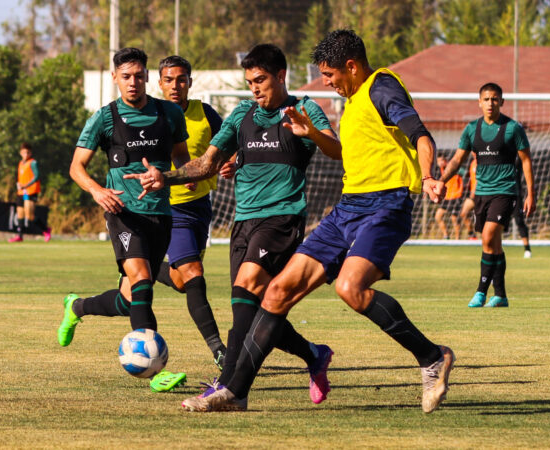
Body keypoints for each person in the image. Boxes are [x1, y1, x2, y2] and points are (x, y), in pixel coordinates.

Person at [178, 30, 454, 413]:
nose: (326, 82)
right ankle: (235, 392)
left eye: (329, 74)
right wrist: (309, 134)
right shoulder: (354, 100)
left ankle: (432, 357)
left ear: (352, 67)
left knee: (350, 288)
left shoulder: (382, 87)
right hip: (347, 209)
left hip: (386, 206)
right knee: (276, 293)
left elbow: (420, 135)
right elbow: (340, 152)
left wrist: (427, 176)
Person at [126, 44, 342, 407]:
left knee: (246, 286)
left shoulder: (304, 108)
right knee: (254, 309)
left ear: (281, 76)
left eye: (261, 80)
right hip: (243, 222)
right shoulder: (242, 114)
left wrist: (312, 134)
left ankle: (228, 387)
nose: (255, 88)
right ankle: (313, 354)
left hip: (282, 217)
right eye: (250, 82)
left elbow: (336, 150)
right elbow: (208, 163)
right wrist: (167, 177)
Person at [57, 47, 191, 391]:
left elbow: (182, 159)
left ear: (147, 77)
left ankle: (78, 306)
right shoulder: (104, 118)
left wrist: (175, 175)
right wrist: (98, 192)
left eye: (139, 76)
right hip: (122, 213)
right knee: (143, 278)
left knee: (130, 298)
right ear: (115, 78)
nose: (133, 82)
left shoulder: (170, 113)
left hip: (160, 213)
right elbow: (76, 167)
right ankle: (154, 370)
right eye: (126, 76)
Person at [153, 55, 228, 369]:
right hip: (169, 209)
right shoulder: (152, 116)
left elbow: (230, 143)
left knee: (182, 281)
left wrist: (230, 162)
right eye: (168, 80)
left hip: (201, 208)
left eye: (180, 79)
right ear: (160, 83)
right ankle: (220, 352)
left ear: (190, 82)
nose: (175, 85)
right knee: (195, 276)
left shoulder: (205, 113)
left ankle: (146, 266)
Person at [440, 82, 535, 308]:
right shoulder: (472, 129)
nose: (490, 103)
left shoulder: (513, 128)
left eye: (495, 99)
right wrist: (440, 181)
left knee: (488, 236)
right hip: (481, 193)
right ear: (479, 102)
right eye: (486, 99)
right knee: (493, 244)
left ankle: (481, 291)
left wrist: (531, 193)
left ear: (502, 102)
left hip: (505, 191)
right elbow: (456, 160)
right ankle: (500, 295)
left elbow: (526, 160)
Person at [8, 142, 51, 243]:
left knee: (29, 216)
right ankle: (19, 236)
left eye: (28, 152)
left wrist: (26, 185)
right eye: (24, 152)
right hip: (21, 192)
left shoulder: (33, 163)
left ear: (30, 153)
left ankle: (46, 230)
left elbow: (36, 176)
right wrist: (18, 184)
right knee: (20, 214)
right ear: (20, 153)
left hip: (30, 192)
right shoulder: (20, 163)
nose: (26, 154)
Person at [434, 155, 464, 239]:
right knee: (438, 216)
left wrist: (460, 192)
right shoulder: (440, 170)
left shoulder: (453, 168)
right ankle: (446, 235)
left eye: (440, 161)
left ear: (445, 160)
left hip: (455, 197)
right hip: (447, 198)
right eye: (438, 161)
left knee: (454, 219)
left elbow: (462, 179)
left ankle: (458, 238)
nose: (439, 163)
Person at [513, 156, 532, 258]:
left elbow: (527, 162)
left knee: (519, 220)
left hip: (515, 194)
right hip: (500, 193)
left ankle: (527, 249)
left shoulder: (519, 155)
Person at [459, 154, 477, 240]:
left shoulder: (484, 162)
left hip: (483, 192)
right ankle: (472, 234)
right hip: (473, 194)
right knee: (464, 213)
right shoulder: (473, 163)